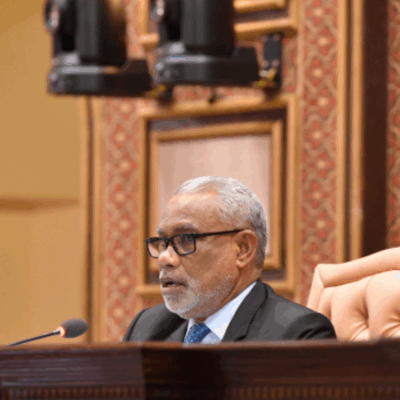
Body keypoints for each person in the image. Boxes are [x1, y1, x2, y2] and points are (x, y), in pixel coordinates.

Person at [123, 176, 336, 343]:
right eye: (162, 241)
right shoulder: (146, 328)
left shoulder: (297, 335)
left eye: (186, 239)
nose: (164, 258)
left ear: (243, 249)